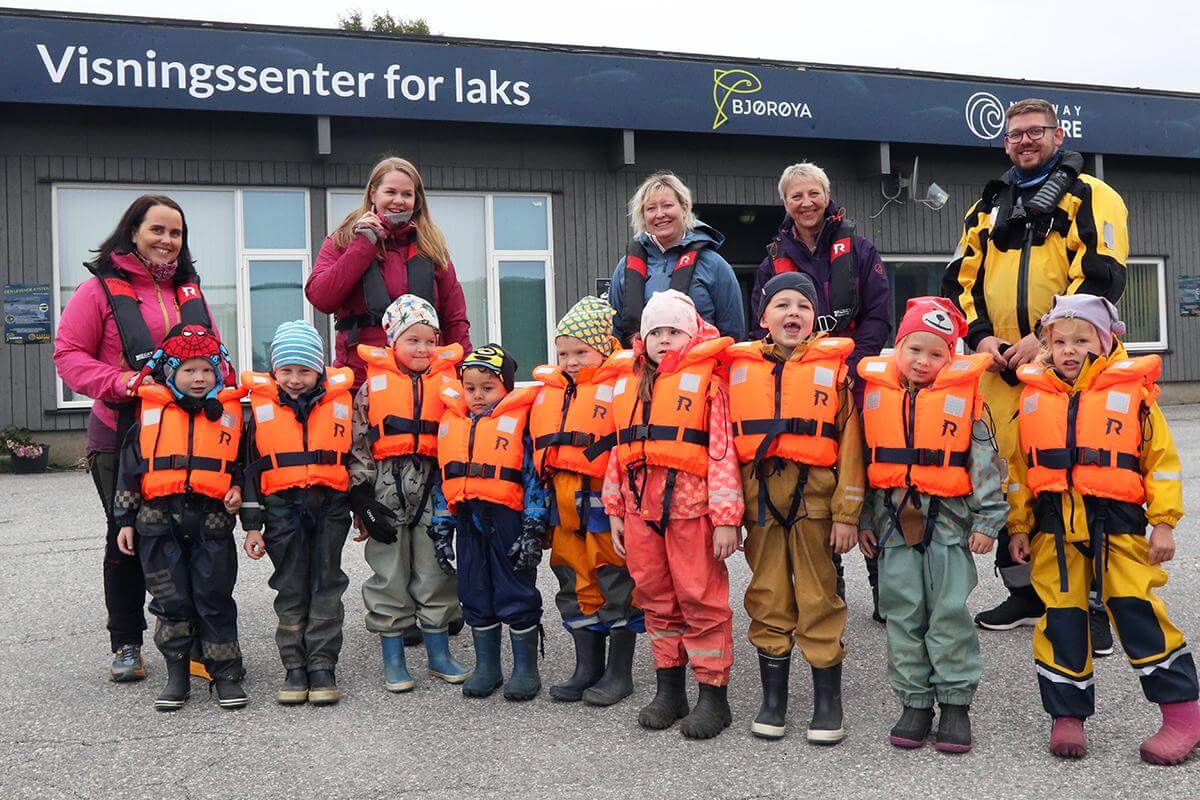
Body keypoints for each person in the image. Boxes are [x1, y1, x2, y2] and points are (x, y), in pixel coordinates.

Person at [943, 98, 1129, 640]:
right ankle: (1023, 591)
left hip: (1071, 368)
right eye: (1015, 134)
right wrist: (982, 338)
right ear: (1005, 143)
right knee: (1005, 480)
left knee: (1078, 477)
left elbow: (1101, 275)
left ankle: (1092, 605)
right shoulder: (988, 205)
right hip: (998, 367)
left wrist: (1042, 338)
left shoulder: (1093, 195)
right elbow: (959, 279)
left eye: (1035, 132)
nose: (1024, 141)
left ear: (1058, 133)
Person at [1009, 294, 1199, 764]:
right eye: (1059, 342)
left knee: (1137, 613)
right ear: (1046, 347)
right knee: (1062, 619)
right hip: (1054, 527)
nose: (1069, 350)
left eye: (1081, 339)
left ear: (1106, 339)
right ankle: (1067, 714)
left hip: (1118, 526)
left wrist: (1164, 523)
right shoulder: (1032, 397)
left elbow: (1163, 465)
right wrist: (1017, 526)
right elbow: (1017, 472)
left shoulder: (1133, 396)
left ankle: (1184, 716)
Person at [53, 194, 228, 682]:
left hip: (186, 440)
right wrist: (126, 382)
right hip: (121, 435)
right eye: (157, 230)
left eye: (176, 233)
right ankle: (126, 641)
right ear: (133, 232)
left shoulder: (189, 292)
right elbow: (67, 357)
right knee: (127, 535)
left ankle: (188, 638)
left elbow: (213, 356)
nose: (167, 241)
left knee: (187, 535)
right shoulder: (98, 292)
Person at [857, 298, 1007, 753]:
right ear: (897, 349)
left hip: (949, 526)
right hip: (892, 526)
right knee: (902, 614)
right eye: (914, 350)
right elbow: (864, 463)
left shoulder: (967, 403)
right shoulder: (876, 398)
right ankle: (915, 701)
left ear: (951, 357)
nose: (923, 361)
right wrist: (863, 517)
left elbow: (986, 464)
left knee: (948, 614)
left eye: (936, 353)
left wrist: (989, 519)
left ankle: (956, 703)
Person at [748, 162, 891, 621]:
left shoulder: (861, 249)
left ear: (827, 196)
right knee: (810, 476)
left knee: (862, 476)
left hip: (850, 379)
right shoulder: (772, 259)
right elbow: (760, 319)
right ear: (785, 203)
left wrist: (849, 366)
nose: (805, 203)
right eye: (795, 196)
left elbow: (878, 315)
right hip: (798, 384)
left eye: (813, 194)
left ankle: (883, 583)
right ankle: (830, 576)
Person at [725, 272, 864, 743]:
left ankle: (828, 702)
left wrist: (847, 513)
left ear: (814, 318)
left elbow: (851, 446)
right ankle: (773, 700)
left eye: (803, 307)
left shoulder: (836, 373)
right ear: (762, 317)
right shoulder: (736, 371)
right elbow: (724, 447)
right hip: (759, 504)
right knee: (766, 593)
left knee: (818, 596)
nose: (792, 314)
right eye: (781, 305)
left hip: (816, 505)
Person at [602, 289, 744, 740]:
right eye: (656, 331)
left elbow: (723, 455)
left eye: (673, 330)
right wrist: (615, 509)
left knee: (701, 600)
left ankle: (713, 697)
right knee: (655, 598)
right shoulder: (628, 384)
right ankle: (670, 689)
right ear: (643, 338)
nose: (664, 338)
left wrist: (726, 519)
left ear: (691, 333)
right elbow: (617, 453)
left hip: (692, 512)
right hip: (641, 511)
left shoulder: (709, 385)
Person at [111, 324, 248, 711]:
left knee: (214, 596)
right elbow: (129, 468)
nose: (199, 378)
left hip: (212, 520)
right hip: (157, 520)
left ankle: (226, 672)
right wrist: (124, 519)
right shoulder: (149, 416)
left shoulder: (232, 415)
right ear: (170, 373)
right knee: (170, 598)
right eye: (189, 370)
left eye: (207, 369)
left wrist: (237, 487)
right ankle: (178, 671)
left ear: (219, 371)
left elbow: (242, 463)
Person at [347, 296, 469, 693]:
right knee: (389, 572)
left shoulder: (453, 385)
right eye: (412, 340)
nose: (422, 349)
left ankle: (439, 653)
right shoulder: (370, 389)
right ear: (392, 343)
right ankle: (394, 658)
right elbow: (359, 442)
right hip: (385, 488)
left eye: (429, 341)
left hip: (434, 487)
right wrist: (361, 497)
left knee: (436, 570)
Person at [530, 296, 643, 707]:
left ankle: (619, 672)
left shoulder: (621, 386)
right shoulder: (550, 393)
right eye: (563, 353)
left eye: (581, 351)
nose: (571, 361)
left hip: (604, 503)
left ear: (605, 347)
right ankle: (587, 666)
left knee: (614, 581)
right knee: (571, 581)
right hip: (563, 507)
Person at [240, 321, 354, 706]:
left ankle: (322, 665)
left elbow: (354, 458)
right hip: (281, 508)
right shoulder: (259, 411)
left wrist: (366, 512)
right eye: (285, 370)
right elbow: (250, 471)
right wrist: (252, 527)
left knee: (326, 583)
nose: (294, 379)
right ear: (274, 371)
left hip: (330, 506)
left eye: (304, 370)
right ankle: (294, 665)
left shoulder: (341, 403)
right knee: (290, 586)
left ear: (320, 370)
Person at [432, 344, 551, 701]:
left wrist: (533, 529)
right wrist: (441, 529)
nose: (478, 396)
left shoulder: (520, 424)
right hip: (469, 520)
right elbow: (443, 481)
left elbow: (534, 479)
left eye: (488, 388)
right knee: (474, 591)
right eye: (470, 388)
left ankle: (525, 670)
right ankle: (488, 667)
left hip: (509, 521)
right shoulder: (452, 422)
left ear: (506, 388)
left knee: (515, 590)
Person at [306, 156, 471, 389]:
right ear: (373, 194)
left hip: (427, 385)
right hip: (362, 381)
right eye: (390, 192)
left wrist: (466, 377)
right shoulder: (343, 240)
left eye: (407, 194)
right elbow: (321, 297)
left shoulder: (432, 248)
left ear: (417, 200)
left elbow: (455, 319)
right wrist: (364, 245)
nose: (398, 201)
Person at [607, 171, 745, 345]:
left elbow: (733, 332)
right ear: (643, 215)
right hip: (641, 369)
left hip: (698, 368)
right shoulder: (625, 268)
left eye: (667, 205)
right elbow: (615, 332)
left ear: (684, 207)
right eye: (651, 208)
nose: (660, 214)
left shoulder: (715, 265)